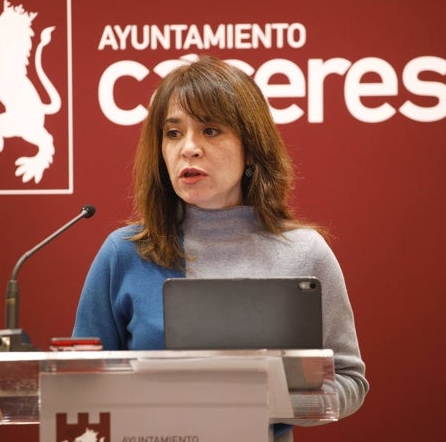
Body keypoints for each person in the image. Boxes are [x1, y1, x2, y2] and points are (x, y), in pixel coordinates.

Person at [73, 55, 368, 441]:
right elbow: (78, 384)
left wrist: (264, 401)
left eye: (211, 130)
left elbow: (349, 381)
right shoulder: (125, 252)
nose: (189, 149)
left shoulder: (304, 252)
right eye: (173, 133)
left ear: (251, 146)